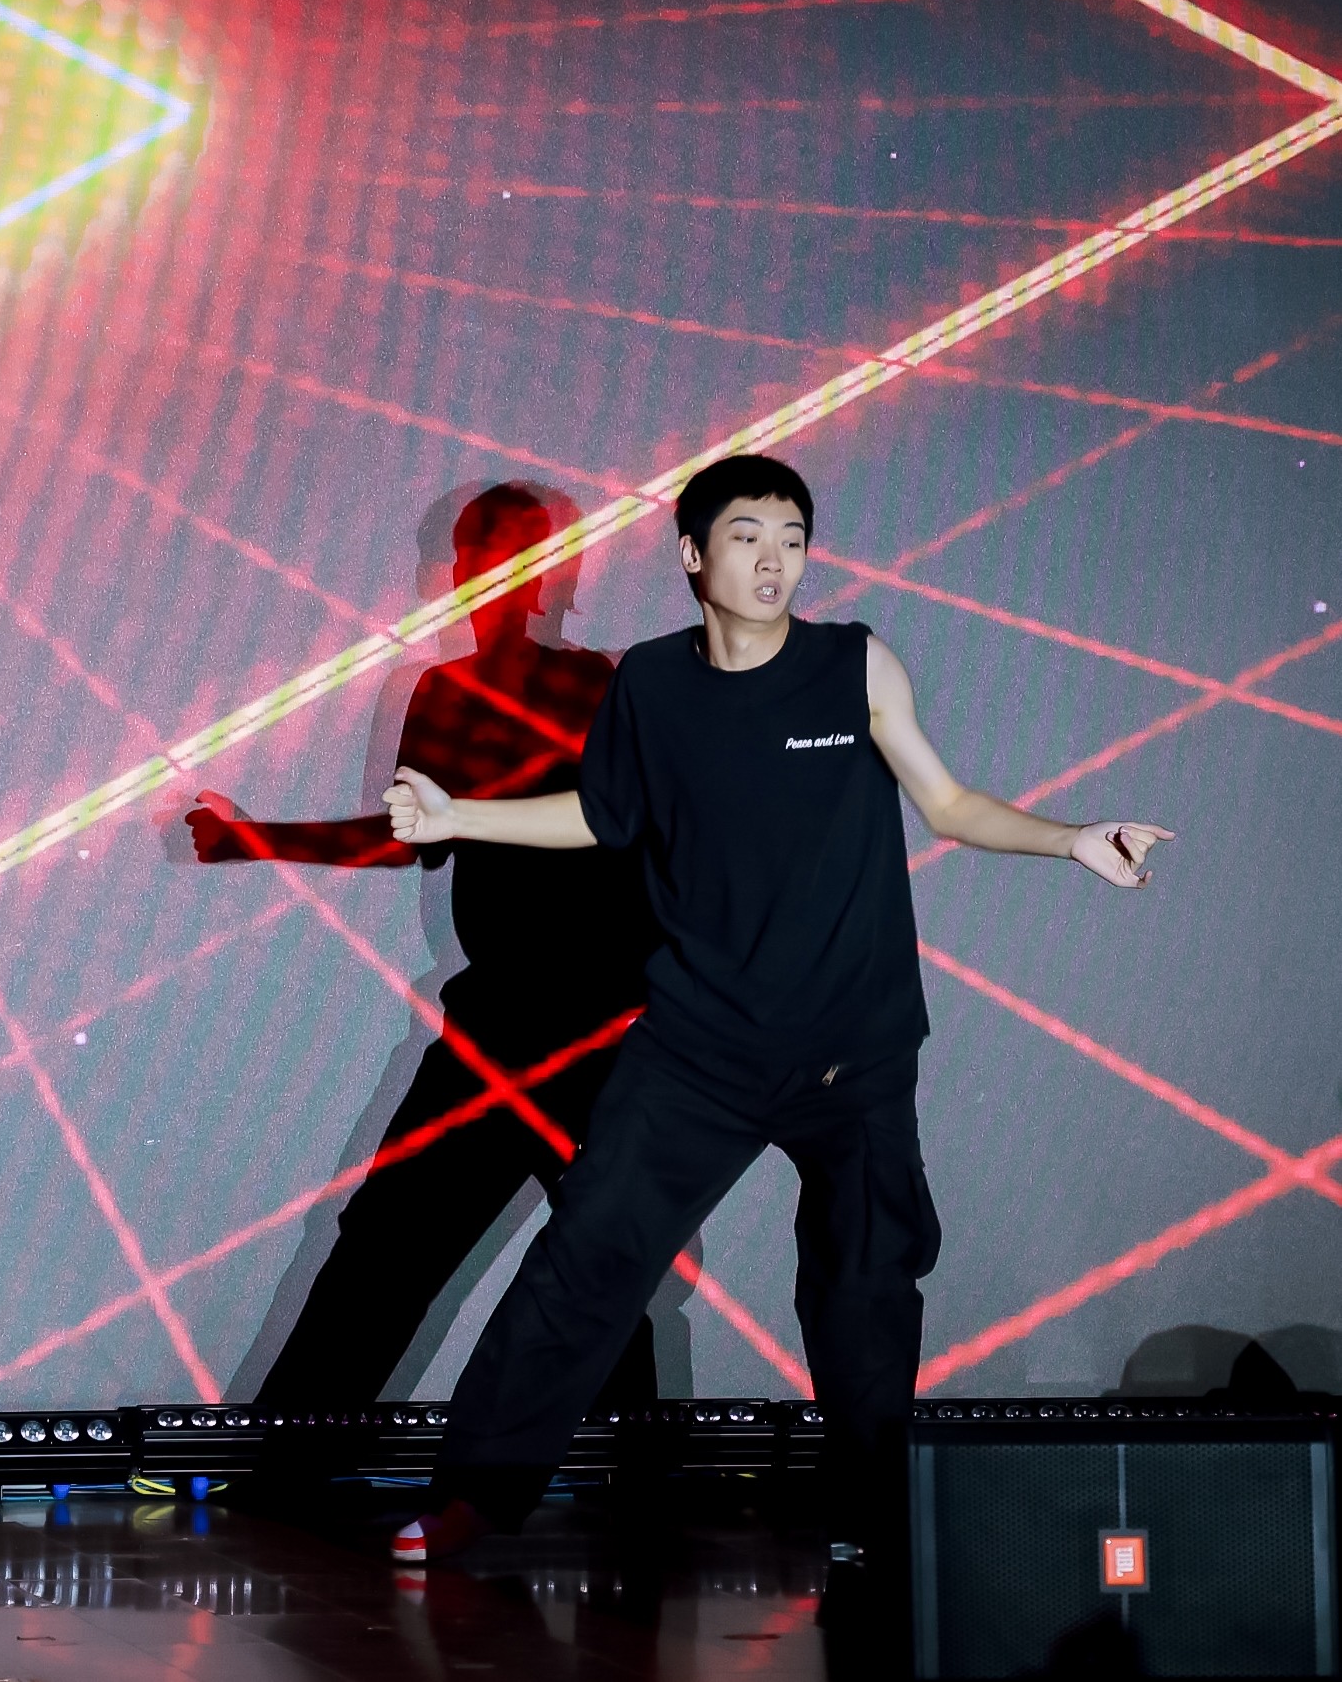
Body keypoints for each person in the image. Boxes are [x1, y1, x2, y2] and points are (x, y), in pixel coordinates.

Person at [380, 456, 1170, 1582]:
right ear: (692, 554)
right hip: (697, 1046)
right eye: (746, 535)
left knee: (862, 1289)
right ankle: (473, 1496)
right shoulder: (651, 682)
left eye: (792, 538)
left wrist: (1071, 837)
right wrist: (456, 812)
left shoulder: (854, 664)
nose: (773, 559)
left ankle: (872, 1519)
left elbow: (948, 804)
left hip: (852, 1049)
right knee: (586, 1254)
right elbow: (602, 815)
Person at [186, 485, 662, 1413]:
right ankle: (287, 1460)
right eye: (486, 554)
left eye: (522, 555)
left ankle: (641, 1479)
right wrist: (256, 838)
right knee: (394, 1246)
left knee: (571, 1262)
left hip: (595, 1023)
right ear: (458, 572)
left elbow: (636, 834)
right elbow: (406, 837)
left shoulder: (595, 687)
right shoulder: (447, 692)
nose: (500, 574)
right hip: (509, 1018)